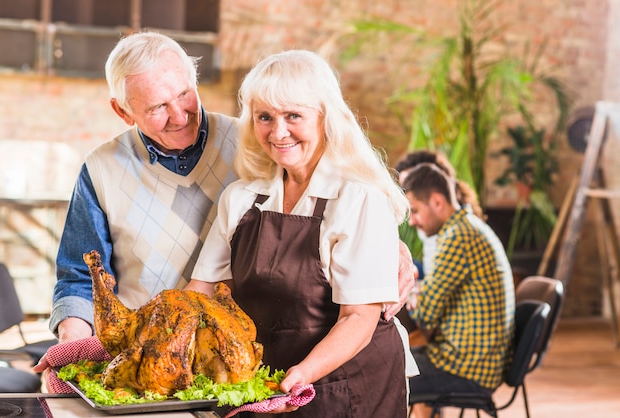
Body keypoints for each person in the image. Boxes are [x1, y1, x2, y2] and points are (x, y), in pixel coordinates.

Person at [34, 32, 415, 392]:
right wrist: (88, 348)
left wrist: (390, 250)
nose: (180, 115)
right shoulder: (107, 169)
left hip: (304, 370)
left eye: (184, 94)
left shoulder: (250, 146)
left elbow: (350, 218)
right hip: (184, 364)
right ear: (123, 110)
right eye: (156, 107)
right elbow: (87, 277)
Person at [185, 49, 410, 417]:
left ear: (325, 118)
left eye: (293, 115)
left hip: (348, 385)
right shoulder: (241, 199)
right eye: (265, 117)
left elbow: (358, 318)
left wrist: (297, 379)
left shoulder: (358, 199)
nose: (279, 132)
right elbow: (202, 293)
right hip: (270, 381)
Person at [402, 162, 515, 418]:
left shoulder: (458, 237)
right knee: (396, 359)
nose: (414, 222)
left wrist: (417, 296)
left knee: (379, 372)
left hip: (467, 370)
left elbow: (426, 314)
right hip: (474, 362)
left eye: (416, 211)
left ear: (437, 202)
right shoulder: (468, 228)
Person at [395, 149, 484, 280]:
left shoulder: (457, 234)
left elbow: (432, 295)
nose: (406, 196)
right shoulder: (455, 221)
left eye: (412, 184)